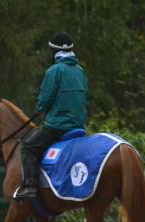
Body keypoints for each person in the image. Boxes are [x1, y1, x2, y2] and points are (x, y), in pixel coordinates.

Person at [14, 32, 89, 200]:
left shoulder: (54, 71)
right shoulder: (80, 71)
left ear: (55, 52)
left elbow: (44, 102)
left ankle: (30, 186)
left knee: (28, 146)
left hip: (58, 127)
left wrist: (40, 107)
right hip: (79, 126)